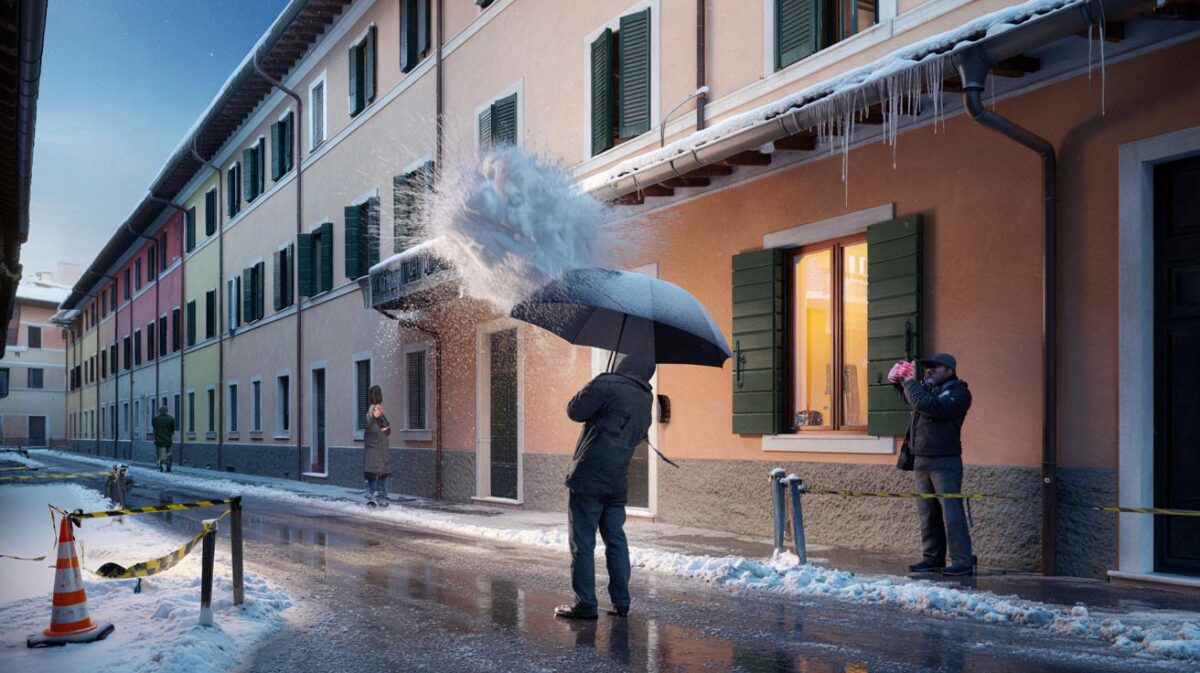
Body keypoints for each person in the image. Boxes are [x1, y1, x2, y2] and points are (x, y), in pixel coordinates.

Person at [555, 352, 654, 620]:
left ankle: (585, 604)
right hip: (617, 478)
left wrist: (594, 385)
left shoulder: (606, 383)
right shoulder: (646, 399)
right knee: (616, 540)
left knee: (582, 543)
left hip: (589, 474)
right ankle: (622, 603)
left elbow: (574, 411)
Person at [890, 353, 975, 576]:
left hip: (945, 461)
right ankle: (933, 558)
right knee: (927, 513)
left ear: (950, 370)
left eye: (935, 367)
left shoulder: (959, 393)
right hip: (921, 459)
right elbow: (913, 399)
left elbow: (927, 405)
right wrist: (897, 383)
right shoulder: (930, 390)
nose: (929, 371)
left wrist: (909, 382)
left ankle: (962, 561)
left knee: (951, 513)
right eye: (927, 368)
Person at [363, 385, 392, 507]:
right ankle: (375, 496)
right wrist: (378, 412)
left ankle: (378, 496)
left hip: (378, 447)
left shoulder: (373, 411)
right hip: (376, 448)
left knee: (378, 473)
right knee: (376, 473)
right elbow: (385, 428)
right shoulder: (374, 410)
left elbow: (386, 429)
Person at [152, 406, 176, 473]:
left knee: (159, 452)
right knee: (168, 453)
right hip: (168, 439)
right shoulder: (171, 419)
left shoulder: (155, 419)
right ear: (167, 411)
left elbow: (154, 427)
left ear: (159, 411)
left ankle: (161, 464)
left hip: (158, 439)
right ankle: (168, 466)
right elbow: (173, 429)